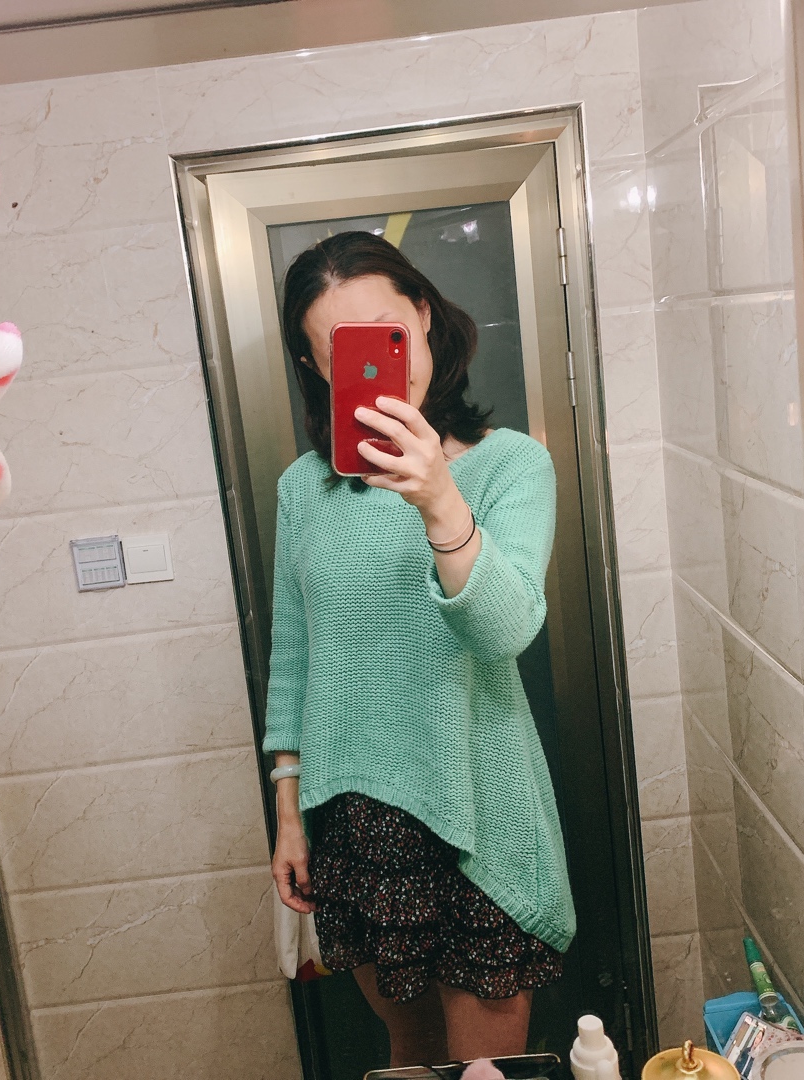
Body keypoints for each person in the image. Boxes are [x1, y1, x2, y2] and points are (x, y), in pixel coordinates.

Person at [264, 231, 575, 1066]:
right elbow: (294, 657)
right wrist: (289, 814)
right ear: (314, 363)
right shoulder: (304, 491)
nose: (376, 364)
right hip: (356, 824)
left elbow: (506, 629)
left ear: (425, 317)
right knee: (409, 1056)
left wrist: (439, 498)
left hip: (480, 811)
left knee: (485, 1070)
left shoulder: (512, 467)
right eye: (343, 348)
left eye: (388, 334)